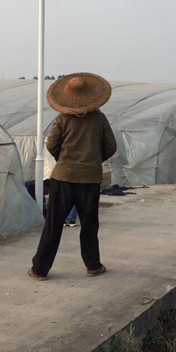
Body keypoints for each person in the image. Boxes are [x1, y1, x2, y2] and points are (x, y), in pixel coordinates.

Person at [29, 73, 117, 280]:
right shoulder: (99, 118)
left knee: (53, 225)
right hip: (90, 180)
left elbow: (51, 145)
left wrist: (65, 159)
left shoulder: (62, 118)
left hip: (63, 178)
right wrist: (93, 160)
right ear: (91, 96)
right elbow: (111, 147)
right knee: (89, 224)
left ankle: (39, 269)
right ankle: (93, 266)